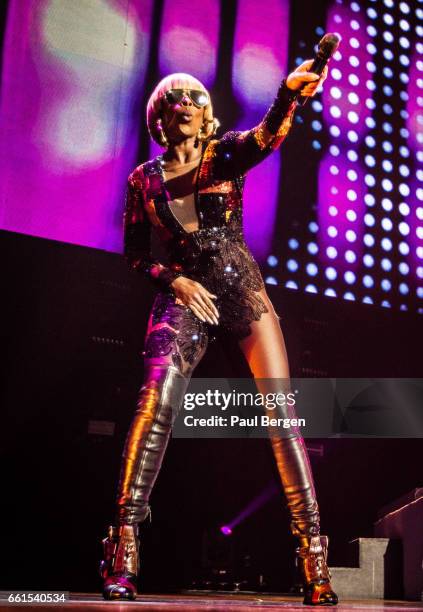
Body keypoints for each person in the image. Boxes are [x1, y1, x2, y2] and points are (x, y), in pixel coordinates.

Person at [99, 59, 338, 606]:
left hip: (242, 293)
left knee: (282, 418)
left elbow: (264, 140)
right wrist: (175, 280)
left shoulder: (222, 154)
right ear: (159, 117)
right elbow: (136, 255)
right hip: (187, 296)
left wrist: (288, 96)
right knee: (153, 402)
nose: (183, 104)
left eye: (192, 99)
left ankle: (312, 559)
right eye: (172, 100)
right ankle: (124, 548)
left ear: (205, 115)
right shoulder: (144, 180)